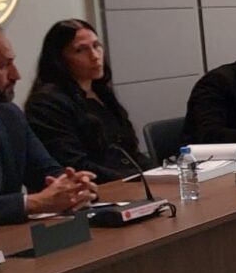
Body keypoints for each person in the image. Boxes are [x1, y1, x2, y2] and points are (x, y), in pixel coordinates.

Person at [0, 18, 97, 226]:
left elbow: (46, 171)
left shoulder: (9, 115)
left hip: (9, 236)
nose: (16, 75)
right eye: (4, 66)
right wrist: (30, 203)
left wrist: (73, 187)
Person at [23, 19, 153, 182]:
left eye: (96, 46)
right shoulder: (46, 103)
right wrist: (135, 178)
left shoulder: (102, 93)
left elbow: (130, 151)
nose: (95, 56)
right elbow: (74, 165)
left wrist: (157, 173)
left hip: (127, 181)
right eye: (80, 50)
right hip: (93, 188)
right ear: (59, 59)